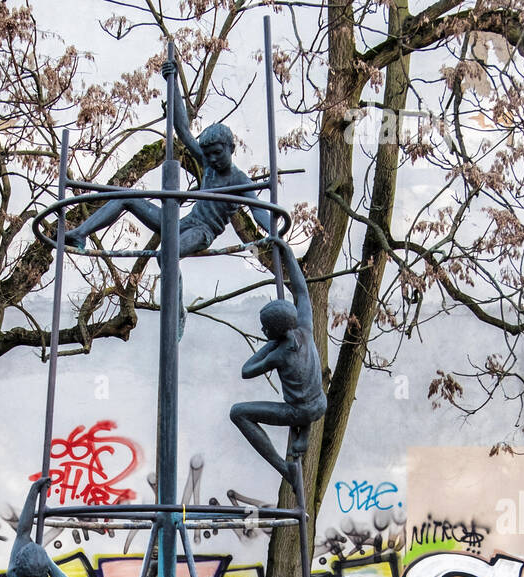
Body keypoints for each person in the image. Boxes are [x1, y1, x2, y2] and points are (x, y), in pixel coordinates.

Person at [64, 59, 265, 258]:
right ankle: (80, 233)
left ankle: (172, 289)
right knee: (125, 196)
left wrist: (274, 231)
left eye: (217, 153)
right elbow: (183, 130)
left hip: (202, 232)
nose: (212, 158)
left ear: (231, 148)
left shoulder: (239, 180)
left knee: (166, 255)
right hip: (182, 223)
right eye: (208, 153)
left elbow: (259, 211)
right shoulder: (208, 165)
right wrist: (173, 82)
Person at [230, 234, 327, 488]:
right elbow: (302, 291)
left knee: (238, 413)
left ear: (275, 330)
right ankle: (303, 433)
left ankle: (285, 469)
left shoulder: (278, 354)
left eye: (265, 328)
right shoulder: (305, 328)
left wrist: (271, 344)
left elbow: (247, 371)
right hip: (320, 403)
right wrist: (287, 253)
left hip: (300, 410)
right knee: (304, 395)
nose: (262, 331)